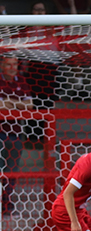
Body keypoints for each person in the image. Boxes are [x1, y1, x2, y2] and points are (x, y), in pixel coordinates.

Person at [0, 56, 33, 216]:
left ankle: (7, 204)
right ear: (2, 66)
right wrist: (16, 104)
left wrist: (8, 101)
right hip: (0, 133)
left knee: (11, 171)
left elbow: (30, 105)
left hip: (15, 133)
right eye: (9, 64)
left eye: (15, 64)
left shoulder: (21, 81)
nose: (13, 67)